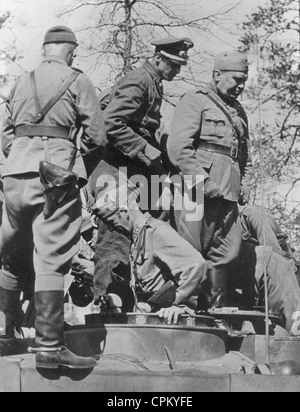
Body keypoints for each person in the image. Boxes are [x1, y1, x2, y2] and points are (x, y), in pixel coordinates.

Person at [0, 26, 106, 370]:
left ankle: (3, 334)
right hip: (55, 178)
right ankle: (49, 348)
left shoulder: (21, 80)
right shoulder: (77, 79)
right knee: (51, 259)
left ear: (46, 49)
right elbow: (97, 136)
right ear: (71, 51)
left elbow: (5, 134)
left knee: (13, 256)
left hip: (14, 175)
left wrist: (21, 158)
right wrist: (70, 161)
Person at [90, 37, 194, 303]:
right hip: (112, 166)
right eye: (173, 64)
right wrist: (146, 151)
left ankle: (131, 297)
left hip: (128, 167)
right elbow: (111, 124)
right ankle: (107, 301)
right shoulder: (140, 80)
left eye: (180, 65)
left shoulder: (153, 83)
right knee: (115, 231)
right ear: (158, 58)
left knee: (146, 225)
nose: (177, 70)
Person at [167, 52, 252, 317]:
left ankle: (215, 315)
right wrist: (202, 180)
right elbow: (178, 147)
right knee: (191, 251)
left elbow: (242, 155)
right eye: (236, 79)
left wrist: (244, 184)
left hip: (228, 192)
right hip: (194, 193)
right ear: (217, 75)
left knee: (224, 253)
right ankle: (187, 313)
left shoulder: (238, 111)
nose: (241, 85)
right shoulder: (195, 100)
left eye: (244, 81)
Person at [92, 184, 208, 325]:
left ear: (124, 211)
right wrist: (149, 305)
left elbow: (196, 264)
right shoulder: (139, 237)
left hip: (170, 322)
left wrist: (181, 305)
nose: (111, 228)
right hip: (156, 318)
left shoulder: (156, 232)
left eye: (111, 222)